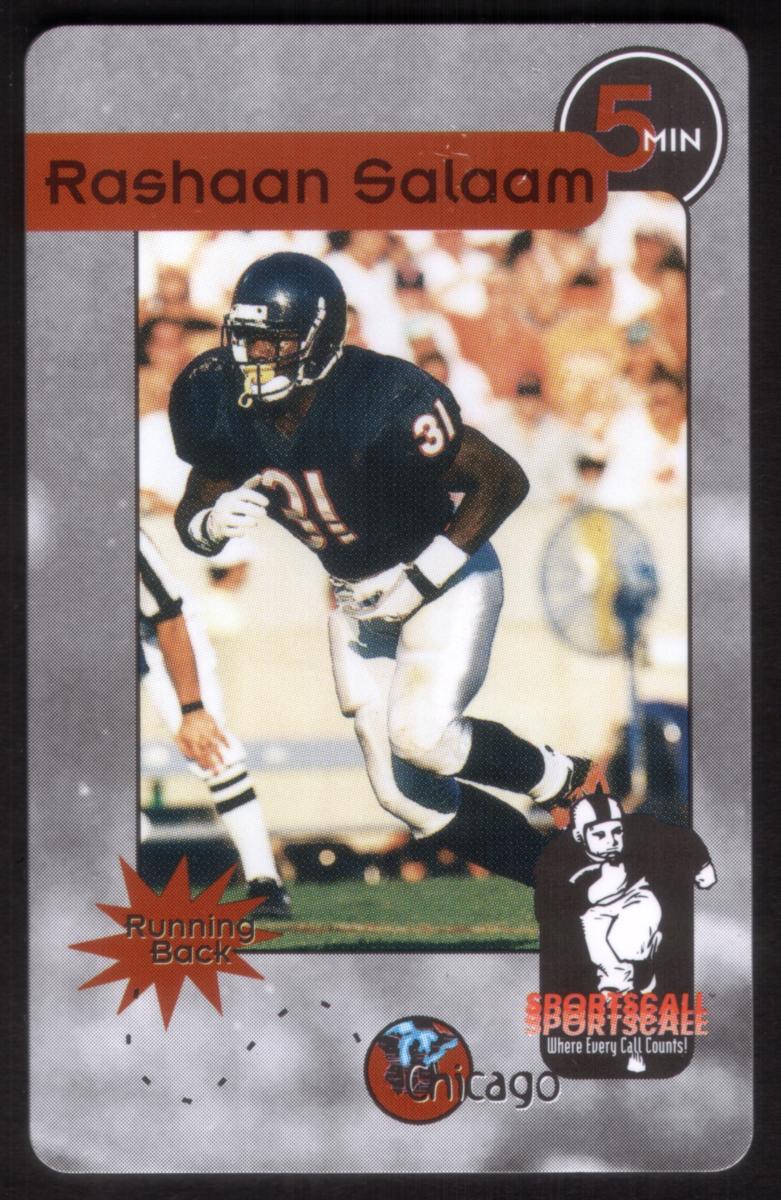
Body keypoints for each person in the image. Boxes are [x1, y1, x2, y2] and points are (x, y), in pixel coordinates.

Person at [168, 252, 604, 887]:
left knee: (423, 737)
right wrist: (210, 524)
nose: (255, 355)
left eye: (274, 341)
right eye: (248, 337)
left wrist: (422, 578)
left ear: (318, 341)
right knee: (404, 796)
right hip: (355, 598)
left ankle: (566, 777)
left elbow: (502, 478)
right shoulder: (220, 399)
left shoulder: (380, 398)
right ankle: (564, 884)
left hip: (441, 577)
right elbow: (192, 514)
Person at [139, 527, 291, 917]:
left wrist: (192, 709)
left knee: (210, 749)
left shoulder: (119, 539)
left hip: (157, 631)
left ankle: (264, 881)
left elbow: (167, 615)